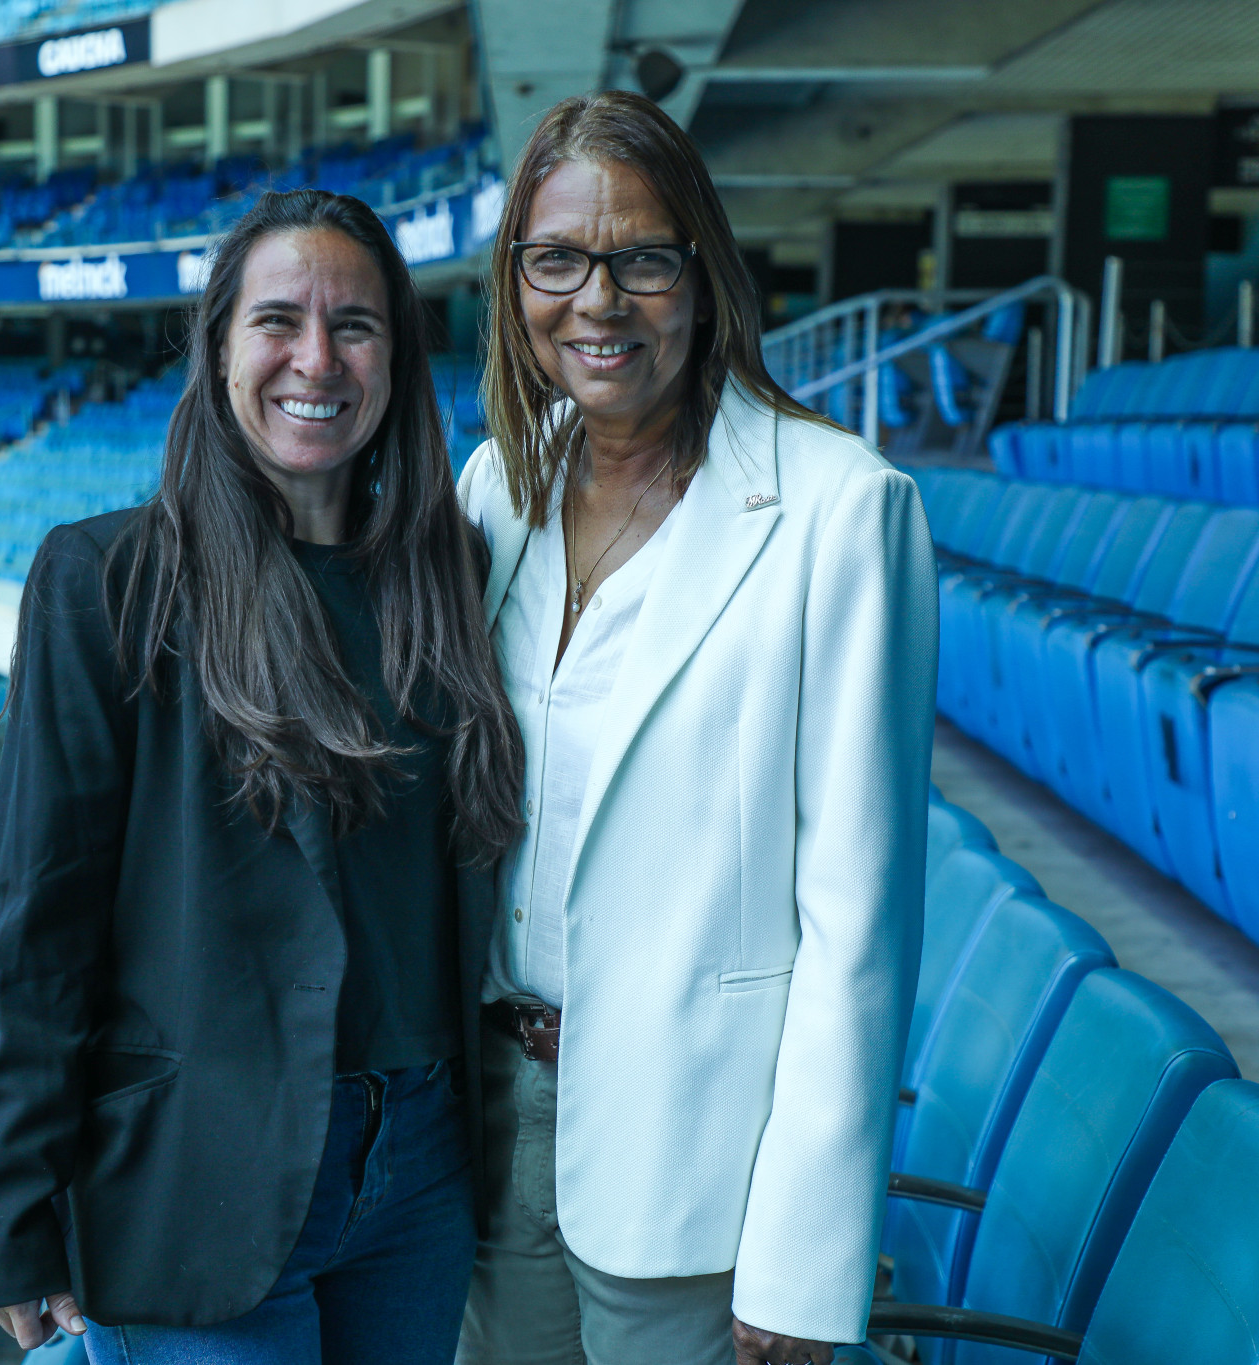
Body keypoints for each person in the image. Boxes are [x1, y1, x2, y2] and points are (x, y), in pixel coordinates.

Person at [0, 188, 525, 1365]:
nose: (317, 358)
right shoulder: (106, 580)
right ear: (216, 348)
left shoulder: (452, 572)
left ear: (397, 361)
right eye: (277, 322)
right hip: (199, 1168)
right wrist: (5, 1210)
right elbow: (34, 918)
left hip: (417, 1170)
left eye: (354, 326)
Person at [454, 91, 938, 1365]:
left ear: (704, 274)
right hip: (499, 1118)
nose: (595, 302)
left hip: (697, 1162)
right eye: (555, 260)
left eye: (642, 260)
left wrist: (804, 1250)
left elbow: (858, 920)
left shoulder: (841, 512)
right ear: (514, 282)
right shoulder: (495, 484)